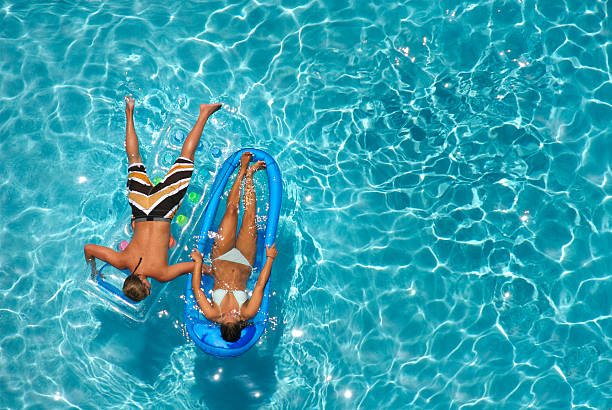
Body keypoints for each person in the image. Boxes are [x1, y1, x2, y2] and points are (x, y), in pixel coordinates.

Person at [84, 96, 222, 302]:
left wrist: (213, 272)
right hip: (140, 208)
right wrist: (93, 271)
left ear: (147, 286)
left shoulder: (161, 274)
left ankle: (204, 113)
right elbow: (89, 249)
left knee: (186, 158)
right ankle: (129, 111)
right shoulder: (121, 261)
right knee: (134, 159)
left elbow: (196, 266)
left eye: (148, 290)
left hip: (163, 209)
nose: (151, 288)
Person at [189, 151, 278, 343]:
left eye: (228, 319)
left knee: (231, 211)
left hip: (220, 257)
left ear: (222, 324)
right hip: (245, 260)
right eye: (234, 319)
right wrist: (269, 258)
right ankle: (249, 175)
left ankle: (241, 171)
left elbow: (196, 289)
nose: (231, 315)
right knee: (250, 217)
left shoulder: (212, 313)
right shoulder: (248, 311)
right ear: (239, 324)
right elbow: (261, 284)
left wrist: (198, 263)